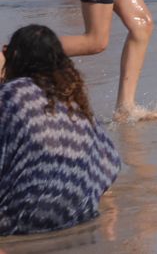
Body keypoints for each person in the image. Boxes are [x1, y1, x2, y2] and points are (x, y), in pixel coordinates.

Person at [0, 25, 120, 237]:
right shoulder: (73, 100)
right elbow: (110, 162)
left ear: (14, 57)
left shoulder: (10, 94)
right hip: (79, 215)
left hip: (22, 219)